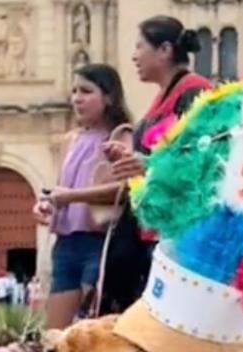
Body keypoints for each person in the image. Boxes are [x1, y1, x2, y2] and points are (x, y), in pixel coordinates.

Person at [103, 16, 213, 314]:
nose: (134, 56)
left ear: (164, 50)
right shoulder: (159, 99)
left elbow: (203, 159)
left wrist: (147, 164)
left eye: (140, 46)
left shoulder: (195, 92)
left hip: (176, 229)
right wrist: (127, 155)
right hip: (148, 225)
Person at [32, 63, 132, 329]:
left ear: (109, 97)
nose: (77, 98)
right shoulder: (70, 140)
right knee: (55, 335)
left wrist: (72, 197)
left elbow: (126, 189)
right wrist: (46, 205)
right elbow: (59, 189)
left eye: (86, 91)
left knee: (91, 331)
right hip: (65, 246)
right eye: (74, 91)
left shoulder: (121, 137)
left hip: (100, 245)